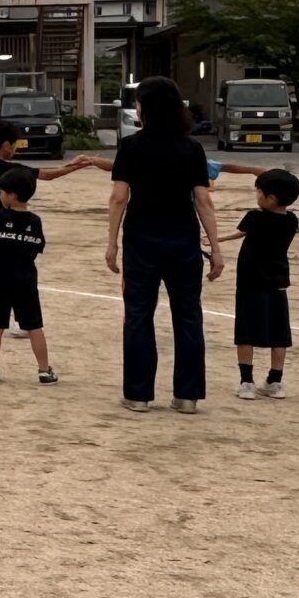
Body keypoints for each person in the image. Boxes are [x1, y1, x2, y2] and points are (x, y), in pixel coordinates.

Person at [105, 76, 221, 413]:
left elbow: (118, 198)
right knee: (188, 317)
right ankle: (187, 396)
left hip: (142, 241)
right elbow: (203, 201)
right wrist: (216, 248)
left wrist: (111, 243)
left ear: (145, 108)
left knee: (138, 316)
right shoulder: (192, 149)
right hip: (183, 241)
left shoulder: (131, 146)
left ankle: (138, 395)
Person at [0, 123, 104, 320]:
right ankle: (17, 320)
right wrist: (76, 166)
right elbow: (48, 175)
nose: (15, 149)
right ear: (6, 145)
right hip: (0, 230)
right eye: (14, 145)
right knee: (7, 274)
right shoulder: (12, 170)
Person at [0, 164, 56, 384]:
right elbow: (38, 247)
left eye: (2, 192)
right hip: (25, 280)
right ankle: (44, 370)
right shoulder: (34, 221)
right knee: (34, 327)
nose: (0, 196)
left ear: (11, 195)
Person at [232, 167, 299, 399]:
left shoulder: (255, 217)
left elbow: (240, 233)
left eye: (259, 192)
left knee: (246, 330)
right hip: (278, 281)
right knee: (279, 332)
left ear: (271, 198)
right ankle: (275, 380)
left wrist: (214, 239)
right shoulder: (291, 220)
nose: (257, 196)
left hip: (251, 280)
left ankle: (246, 382)